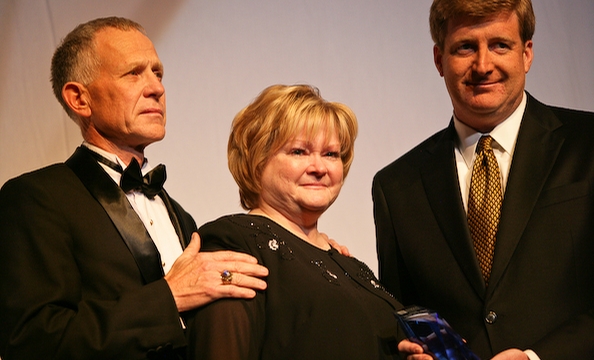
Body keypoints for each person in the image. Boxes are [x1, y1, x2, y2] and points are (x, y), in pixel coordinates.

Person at [0, 17, 270, 359]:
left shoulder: (181, 216)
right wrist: (168, 297)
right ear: (80, 99)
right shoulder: (36, 198)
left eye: (157, 73)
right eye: (133, 73)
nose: (156, 87)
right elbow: (30, 339)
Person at [372, 0, 594, 359]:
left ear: (527, 54)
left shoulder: (588, 144)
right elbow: (403, 322)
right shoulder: (396, 186)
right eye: (465, 47)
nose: (483, 65)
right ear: (439, 60)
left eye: (500, 45)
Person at [185, 84, 404, 359]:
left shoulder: (350, 264)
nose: (319, 168)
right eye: (299, 152)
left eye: (330, 154)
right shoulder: (234, 244)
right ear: (258, 160)